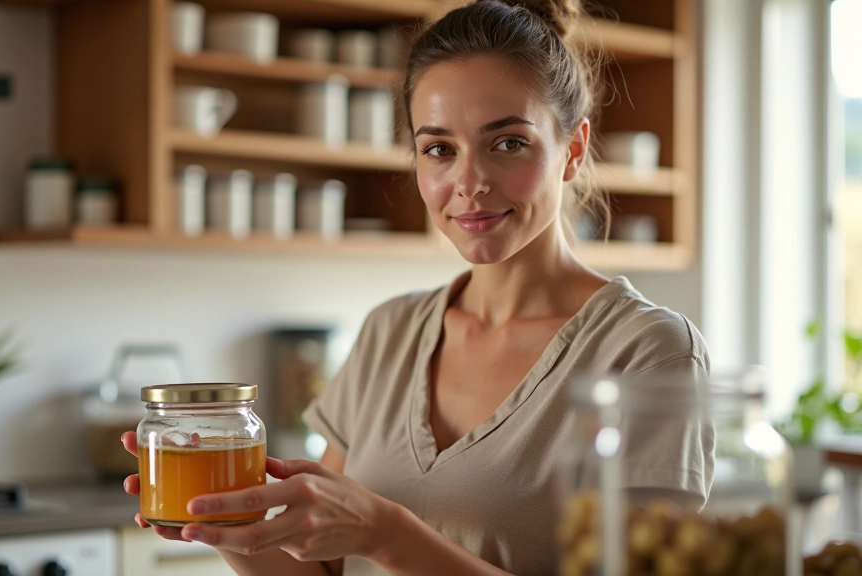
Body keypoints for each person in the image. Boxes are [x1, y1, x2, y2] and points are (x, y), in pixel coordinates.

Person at [121, 0, 713, 574]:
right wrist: (226, 528)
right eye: (439, 150)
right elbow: (326, 570)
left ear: (573, 150)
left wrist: (387, 534)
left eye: (508, 143)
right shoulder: (390, 332)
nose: (469, 182)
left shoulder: (647, 352)